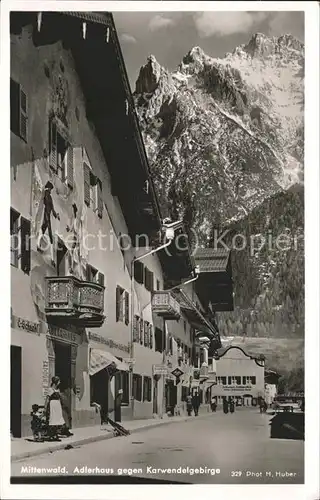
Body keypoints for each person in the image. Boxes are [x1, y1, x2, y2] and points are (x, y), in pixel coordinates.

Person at [37, 181, 60, 262]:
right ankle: (52, 258)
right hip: (46, 215)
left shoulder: (49, 196)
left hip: (48, 215)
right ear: (48, 188)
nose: (51, 190)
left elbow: (52, 208)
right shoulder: (46, 195)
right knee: (48, 233)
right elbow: (47, 206)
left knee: (43, 231)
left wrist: (56, 215)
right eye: (50, 189)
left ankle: (39, 245)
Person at [45, 376, 65, 441]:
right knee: (52, 420)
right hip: (52, 406)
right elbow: (47, 399)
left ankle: (55, 435)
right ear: (56, 382)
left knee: (57, 420)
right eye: (59, 381)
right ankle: (51, 436)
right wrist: (45, 407)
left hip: (57, 406)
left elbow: (59, 399)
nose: (60, 382)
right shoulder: (50, 389)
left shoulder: (57, 390)